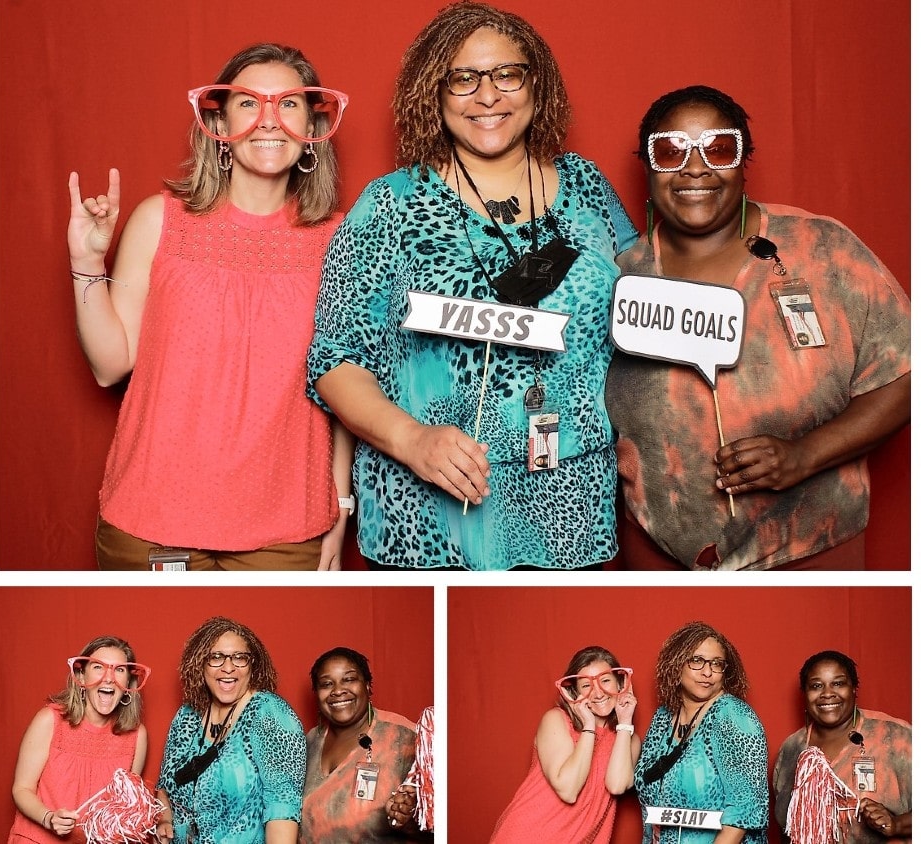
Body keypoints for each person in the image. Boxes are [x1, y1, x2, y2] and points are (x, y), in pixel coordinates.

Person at [307, 0, 638, 569]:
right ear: (434, 93)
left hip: (571, 509)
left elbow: (642, 309)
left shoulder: (587, 187)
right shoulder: (390, 205)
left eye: (507, 74)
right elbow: (334, 359)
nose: (488, 96)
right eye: (463, 78)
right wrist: (412, 440)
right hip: (426, 515)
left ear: (538, 85)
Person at [68, 42, 354, 571]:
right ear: (218, 123)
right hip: (153, 518)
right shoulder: (160, 221)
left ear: (313, 128)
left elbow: (344, 387)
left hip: (287, 527)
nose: (268, 120)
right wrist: (86, 261)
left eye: (288, 103)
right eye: (249, 102)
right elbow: (109, 366)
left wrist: (340, 507)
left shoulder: (340, 240)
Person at [605, 85, 911, 570]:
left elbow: (907, 374)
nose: (695, 166)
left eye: (718, 148)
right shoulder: (619, 275)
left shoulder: (822, 248)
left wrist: (804, 455)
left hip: (806, 547)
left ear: (744, 159)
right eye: (670, 151)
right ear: (649, 165)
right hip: (660, 552)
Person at [155, 617, 305, 843]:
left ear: (253, 665)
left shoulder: (270, 713)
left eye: (239, 658)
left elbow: (282, 807)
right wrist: (165, 821)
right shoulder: (187, 715)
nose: (228, 667)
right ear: (200, 664)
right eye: (216, 657)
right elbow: (165, 786)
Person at [488, 646, 639, 843]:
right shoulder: (556, 720)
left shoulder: (628, 738)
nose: (598, 692)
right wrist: (589, 726)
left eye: (605, 681)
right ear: (574, 692)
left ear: (620, 683)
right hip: (528, 836)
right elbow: (568, 789)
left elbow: (617, 785)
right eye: (586, 686)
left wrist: (625, 722)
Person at [634, 622, 767, 843]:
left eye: (717, 664)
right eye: (697, 661)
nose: (707, 672)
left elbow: (745, 809)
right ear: (676, 665)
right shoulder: (663, 717)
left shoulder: (733, 716)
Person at [9, 636, 149, 843]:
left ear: (128, 682)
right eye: (98, 667)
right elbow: (21, 788)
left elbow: (125, 805)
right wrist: (48, 818)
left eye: (119, 670)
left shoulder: (137, 735)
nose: (109, 678)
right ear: (81, 677)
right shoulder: (50, 720)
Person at [771, 651, 911, 843]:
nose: (827, 693)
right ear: (805, 693)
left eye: (838, 683)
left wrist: (896, 824)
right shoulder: (792, 748)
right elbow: (786, 828)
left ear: (854, 688)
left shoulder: (894, 736)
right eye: (816, 686)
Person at [299, 647, 426, 843]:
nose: (338, 690)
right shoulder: (309, 742)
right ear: (317, 693)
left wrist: (410, 819)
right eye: (326, 684)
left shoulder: (404, 738)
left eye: (349, 679)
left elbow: (434, 824)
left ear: (367, 685)